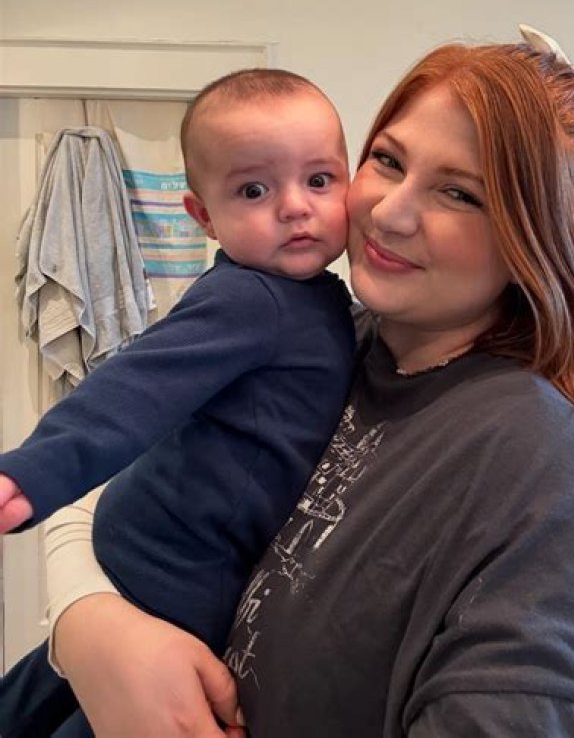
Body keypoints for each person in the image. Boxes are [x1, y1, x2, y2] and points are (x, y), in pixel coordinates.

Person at [43, 26, 574, 737]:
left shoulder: (535, 456)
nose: (389, 212)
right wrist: (95, 633)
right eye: (387, 160)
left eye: (460, 193)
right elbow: (105, 492)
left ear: (531, 240)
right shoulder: (329, 338)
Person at [0, 68, 356, 737]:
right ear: (204, 217)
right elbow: (139, 382)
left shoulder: (320, 300)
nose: (294, 206)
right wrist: (36, 470)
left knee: (34, 698)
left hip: (150, 544)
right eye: (254, 189)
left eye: (319, 179)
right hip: (180, 570)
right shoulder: (252, 298)